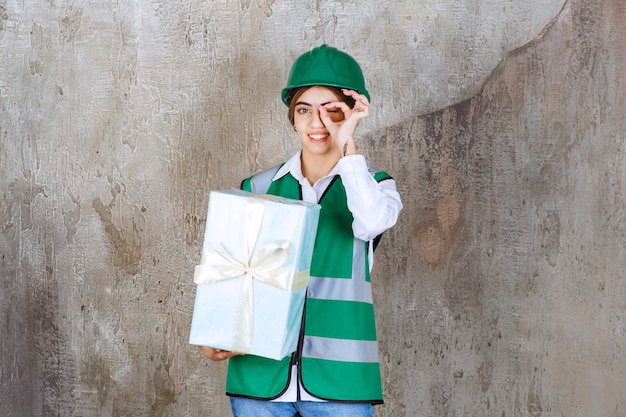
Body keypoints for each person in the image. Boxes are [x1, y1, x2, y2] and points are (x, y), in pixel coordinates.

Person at [200, 44, 403, 417]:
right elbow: (230, 271)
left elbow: (372, 222)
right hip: (259, 378)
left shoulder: (374, 187)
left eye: (332, 111)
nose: (316, 122)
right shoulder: (256, 187)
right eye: (304, 110)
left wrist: (349, 146)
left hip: (339, 383)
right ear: (292, 118)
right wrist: (215, 332)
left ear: (352, 113)